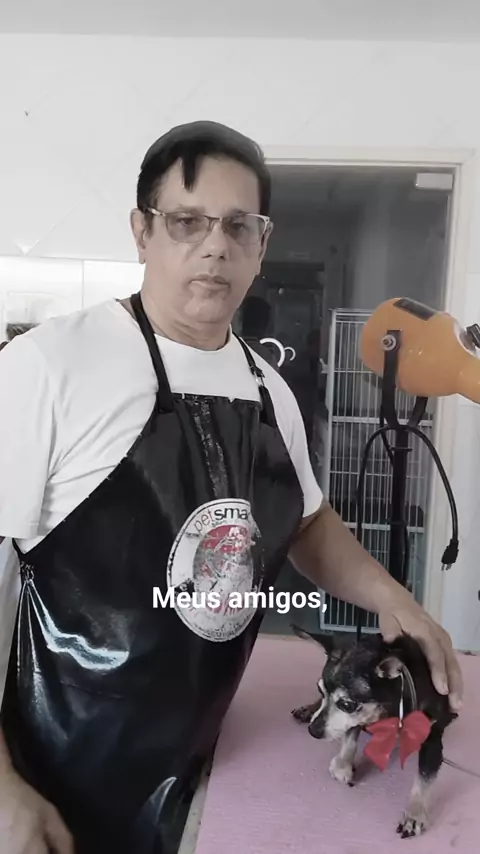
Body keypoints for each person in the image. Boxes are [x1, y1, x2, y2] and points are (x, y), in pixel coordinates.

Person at [0, 120, 462, 854]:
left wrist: (393, 598)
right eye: (187, 221)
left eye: (239, 225)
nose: (216, 246)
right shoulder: (48, 369)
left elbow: (307, 522)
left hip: (204, 758)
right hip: (53, 770)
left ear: (261, 245)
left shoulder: (270, 390)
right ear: (142, 232)